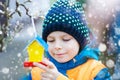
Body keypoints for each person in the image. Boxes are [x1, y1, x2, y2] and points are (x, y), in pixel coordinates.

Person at [22, 0, 111, 80]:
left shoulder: (95, 71)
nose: (57, 46)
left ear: (81, 43)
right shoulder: (39, 71)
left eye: (66, 39)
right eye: (51, 40)